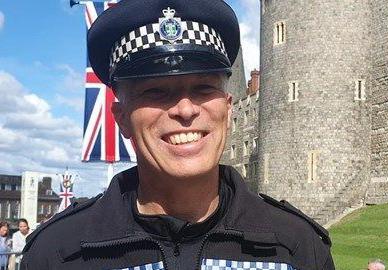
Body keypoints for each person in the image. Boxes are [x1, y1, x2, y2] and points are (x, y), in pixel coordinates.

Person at [21, 0, 334, 269]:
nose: (185, 109)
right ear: (123, 119)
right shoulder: (60, 254)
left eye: (202, 88)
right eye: (156, 91)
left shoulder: (296, 247)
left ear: (227, 110)